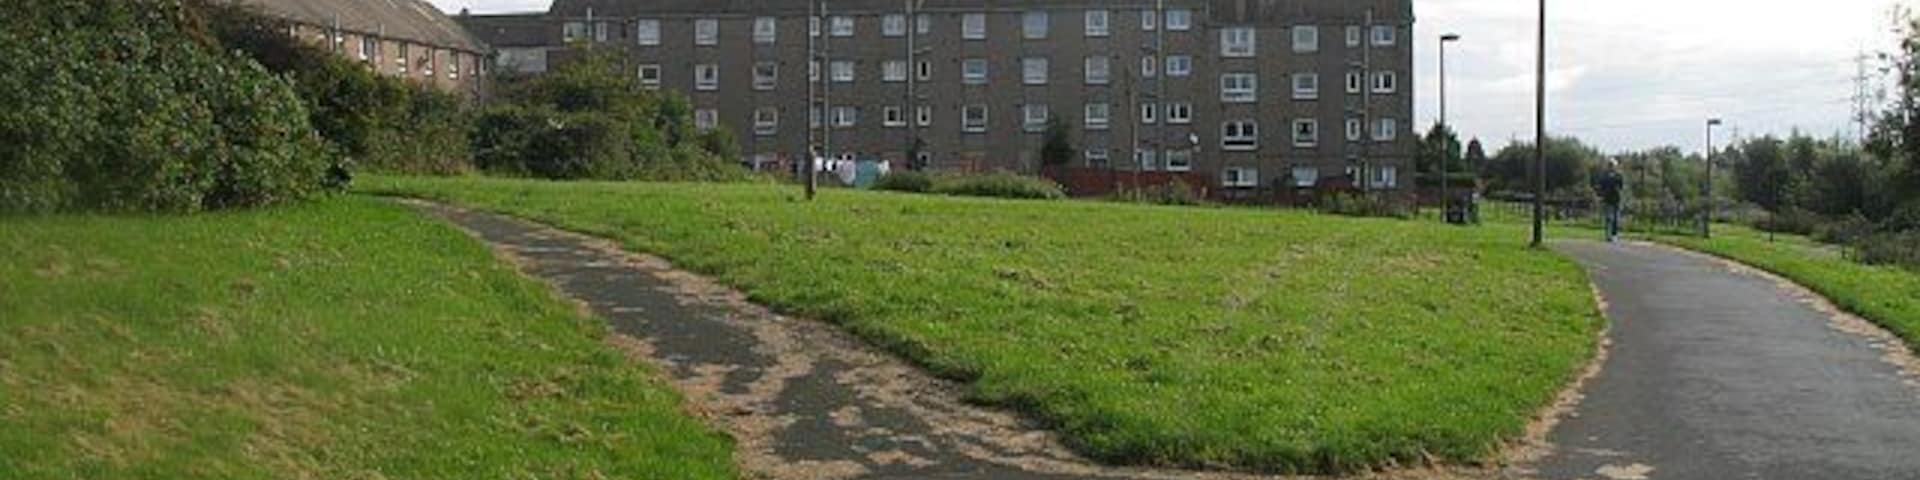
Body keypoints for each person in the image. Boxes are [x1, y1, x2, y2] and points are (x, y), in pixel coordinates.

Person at [1596, 159, 1626, 242]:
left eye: (1612, 165)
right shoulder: (1605, 176)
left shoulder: (1618, 175)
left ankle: (1614, 235)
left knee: (1616, 218)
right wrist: (1601, 195)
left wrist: (1618, 190)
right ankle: (1608, 234)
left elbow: (1621, 186)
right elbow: (1601, 187)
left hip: (1616, 198)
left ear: (1615, 166)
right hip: (1607, 199)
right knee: (1609, 218)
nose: (1611, 167)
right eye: (1610, 165)